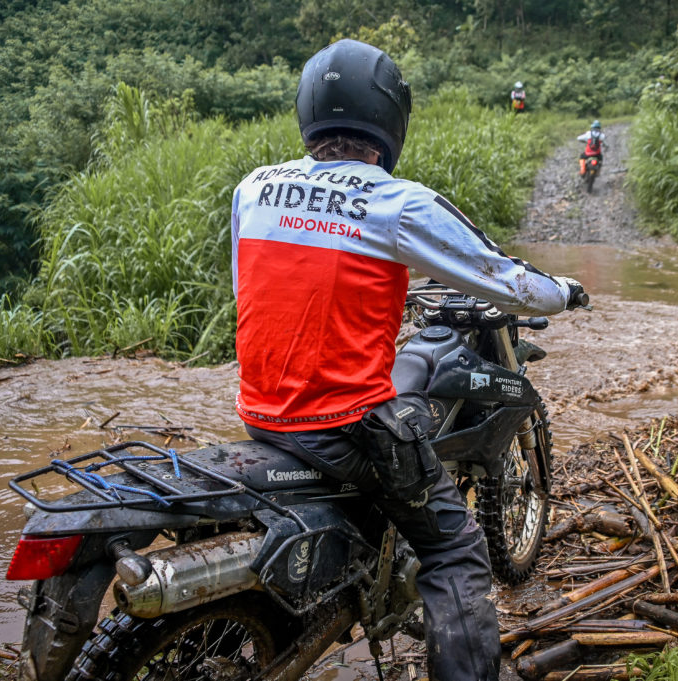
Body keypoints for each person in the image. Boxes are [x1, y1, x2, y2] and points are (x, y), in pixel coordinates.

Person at [231, 39, 584, 681]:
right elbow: (505, 278)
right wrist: (564, 293)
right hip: (344, 426)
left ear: (310, 111)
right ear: (390, 118)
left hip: (261, 415)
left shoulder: (254, 188)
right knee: (456, 549)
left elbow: (259, 289)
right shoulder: (395, 200)